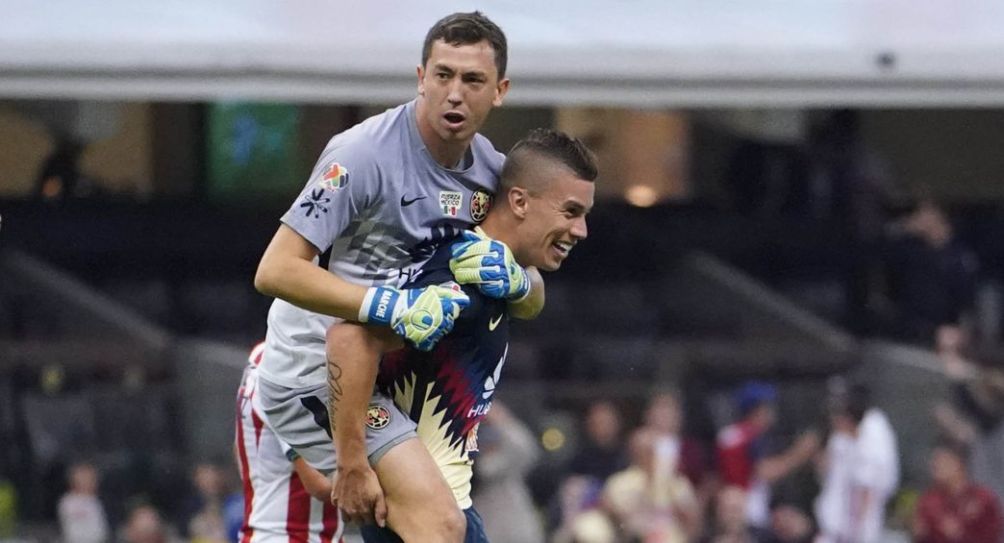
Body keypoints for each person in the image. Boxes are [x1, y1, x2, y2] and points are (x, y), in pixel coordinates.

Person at [248, 11, 546, 542]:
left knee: (429, 527)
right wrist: (383, 306)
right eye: (443, 75)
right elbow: (274, 270)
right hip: (314, 373)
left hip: (388, 381)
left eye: (472, 80)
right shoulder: (361, 154)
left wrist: (522, 283)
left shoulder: (491, 173)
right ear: (420, 77)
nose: (455, 93)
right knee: (440, 524)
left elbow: (533, 286)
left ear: (499, 90)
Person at [324, 128, 597, 542]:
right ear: (520, 201)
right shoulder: (458, 275)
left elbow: (531, 294)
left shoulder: (499, 275)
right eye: (571, 211)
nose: (581, 230)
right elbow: (348, 341)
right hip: (419, 520)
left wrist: (525, 285)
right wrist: (353, 464)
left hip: (450, 509)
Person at [235, 343, 343, 543]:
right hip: (292, 536)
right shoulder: (288, 366)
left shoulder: (261, 354)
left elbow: (242, 448)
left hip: (267, 533)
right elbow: (320, 483)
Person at [716, 382, 819, 528]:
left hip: (728, 509)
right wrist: (800, 453)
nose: (772, 413)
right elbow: (765, 472)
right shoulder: (752, 437)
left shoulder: (728, 434)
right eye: (768, 408)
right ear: (757, 410)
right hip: (750, 509)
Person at [814, 382, 898, 543]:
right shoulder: (840, 437)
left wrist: (855, 538)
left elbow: (866, 492)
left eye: (836, 413)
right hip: (832, 530)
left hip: (858, 535)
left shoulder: (875, 433)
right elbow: (827, 471)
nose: (832, 418)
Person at [913, 438, 1002, 543]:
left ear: (959, 463)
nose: (935, 466)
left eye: (942, 460)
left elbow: (993, 534)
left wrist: (961, 533)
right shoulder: (929, 502)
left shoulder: (983, 499)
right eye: (934, 461)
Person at [57, 461, 109, 543]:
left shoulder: (96, 501)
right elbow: (74, 530)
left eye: (91, 478)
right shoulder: (69, 501)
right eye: (84, 478)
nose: (88, 481)